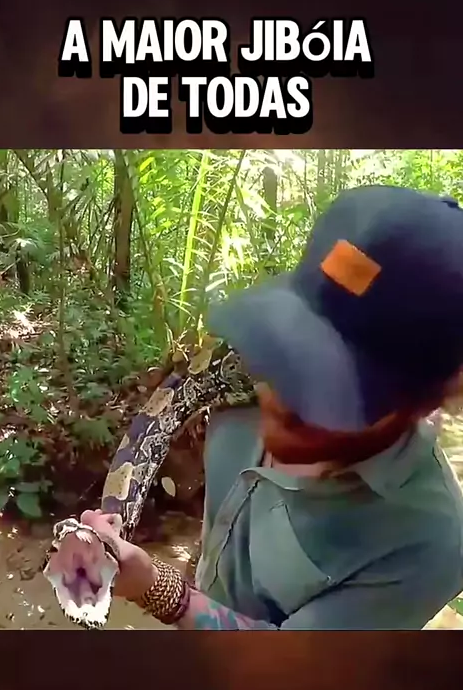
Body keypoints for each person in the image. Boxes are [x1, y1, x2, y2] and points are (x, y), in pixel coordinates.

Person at [82, 184, 463, 630]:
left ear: (428, 400)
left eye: (336, 384)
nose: (282, 394)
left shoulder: (430, 543)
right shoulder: (239, 380)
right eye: (293, 350)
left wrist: (160, 590)